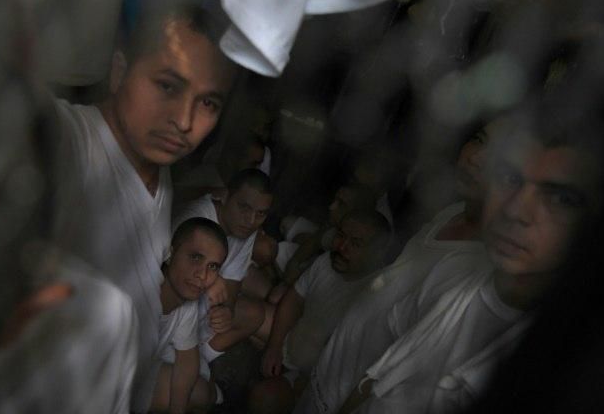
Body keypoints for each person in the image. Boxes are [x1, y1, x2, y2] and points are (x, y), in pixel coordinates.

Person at [331, 102, 604, 414]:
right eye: (508, 177)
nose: (515, 210)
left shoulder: (568, 369)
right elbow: (375, 379)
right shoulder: (457, 275)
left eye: (561, 198)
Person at [52, 0, 237, 412]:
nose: (185, 121)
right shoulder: (72, 142)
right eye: (168, 86)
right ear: (119, 70)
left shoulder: (157, 169)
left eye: (208, 103)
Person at [294, 117, 503, 414]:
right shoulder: (451, 213)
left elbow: (408, 367)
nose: (476, 157)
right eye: (479, 139)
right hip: (327, 376)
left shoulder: (476, 269)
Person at [249, 210, 391, 414]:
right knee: (243, 312)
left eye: (356, 243)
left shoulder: (375, 300)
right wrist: (275, 346)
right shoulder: (327, 261)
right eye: (341, 236)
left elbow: (356, 368)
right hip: (295, 344)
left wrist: (310, 382)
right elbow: (294, 300)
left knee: (264, 398)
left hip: (318, 381)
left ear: (376, 252)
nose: (342, 247)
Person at [172, 169, 272, 380]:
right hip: (171, 312)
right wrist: (212, 280)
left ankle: (201, 358)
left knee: (254, 313)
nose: (251, 220)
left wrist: (226, 310)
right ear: (224, 196)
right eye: (244, 207)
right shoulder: (196, 218)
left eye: (260, 214)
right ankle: (179, 359)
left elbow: (234, 282)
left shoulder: (247, 231)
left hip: (199, 312)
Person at [149, 218, 229, 414]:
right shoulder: (141, 293)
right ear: (170, 253)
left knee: (200, 393)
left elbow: (187, 359)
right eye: (195, 257)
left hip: (139, 367)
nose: (202, 275)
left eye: (213, 267)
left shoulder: (187, 304)